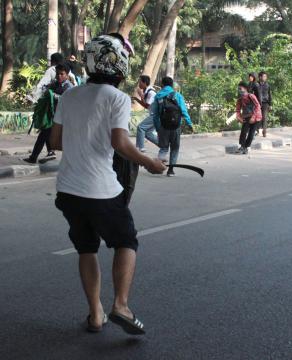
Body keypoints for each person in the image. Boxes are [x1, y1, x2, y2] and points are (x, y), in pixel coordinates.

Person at [50, 33, 166, 335]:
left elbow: (55, 141)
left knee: (86, 249)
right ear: (119, 64)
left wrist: (83, 140)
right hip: (100, 190)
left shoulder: (69, 96)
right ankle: (121, 305)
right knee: (126, 240)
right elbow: (120, 143)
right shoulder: (116, 98)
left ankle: (95, 314)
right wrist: (149, 162)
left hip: (68, 190)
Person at [24, 63, 74, 164]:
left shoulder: (69, 86)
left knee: (44, 135)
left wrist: (53, 95)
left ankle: (34, 157)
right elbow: (45, 89)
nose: (59, 76)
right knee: (45, 133)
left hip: (62, 117)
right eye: (57, 74)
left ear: (67, 75)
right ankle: (49, 152)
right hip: (53, 115)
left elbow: (66, 99)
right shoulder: (55, 83)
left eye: (62, 74)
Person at [151, 76, 192, 177]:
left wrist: (158, 127)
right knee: (175, 148)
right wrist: (189, 123)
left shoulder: (158, 96)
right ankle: (171, 170)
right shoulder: (177, 95)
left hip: (163, 126)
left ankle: (158, 167)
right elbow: (183, 111)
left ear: (162, 84)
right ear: (172, 85)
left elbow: (155, 114)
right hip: (176, 126)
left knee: (163, 148)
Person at [236, 81, 262, 154]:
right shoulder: (240, 99)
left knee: (251, 133)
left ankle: (246, 147)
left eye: (240, 88)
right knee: (243, 132)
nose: (239, 90)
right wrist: (239, 117)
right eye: (238, 88)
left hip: (256, 116)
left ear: (245, 88)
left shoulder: (251, 96)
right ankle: (242, 147)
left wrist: (253, 117)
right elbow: (237, 110)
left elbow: (257, 106)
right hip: (247, 116)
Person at [134, 75, 158, 152]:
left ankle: (140, 148)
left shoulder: (151, 92)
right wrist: (136, 99)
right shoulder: (147, 91)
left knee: (140, 127)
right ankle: (163, 145)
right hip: (155, 115)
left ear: (144, 83)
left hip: (156, 115)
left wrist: (141, 95)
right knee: (148, 133)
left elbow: (146, 105)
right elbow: (146, 105)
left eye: (140, 82)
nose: (139, 84)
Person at [258, 71, 272, 137]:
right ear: (260, 77)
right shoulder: (256, 84)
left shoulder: (267, 85)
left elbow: (270, 95)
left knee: (264, 117)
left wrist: (271, 104)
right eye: (264, 76)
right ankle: (256, 130)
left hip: (265, 103)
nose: (265, 78)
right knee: (257, 117)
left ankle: (264, 132)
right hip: (257, 103)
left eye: (266, 76)